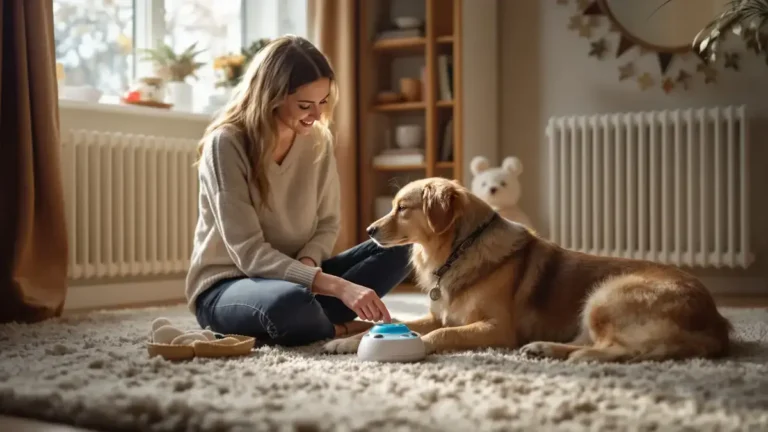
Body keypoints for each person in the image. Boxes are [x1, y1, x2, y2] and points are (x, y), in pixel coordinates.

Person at [186, 35, 412, 347]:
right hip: (230, 286)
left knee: (406, 246)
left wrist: (307, 267)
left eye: (323, 103)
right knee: (287, 303)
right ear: (271, 97)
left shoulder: (319, 140)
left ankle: (307, 321)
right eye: (305, 105)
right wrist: (338, 287)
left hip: (302, 280)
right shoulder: (226, 143)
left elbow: (328, 222)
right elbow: (249, 254)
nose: (317, 115)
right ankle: (339, 328)